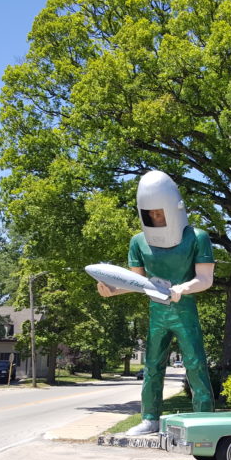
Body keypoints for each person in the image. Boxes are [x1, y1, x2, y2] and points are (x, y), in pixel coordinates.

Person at [95, 171, 216, 436]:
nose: (155, 218)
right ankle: (149, 417)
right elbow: (135, 281)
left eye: (160, 213)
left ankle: (204, 417)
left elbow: (205, 278)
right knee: (151, 366)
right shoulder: (138, 242)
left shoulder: (197, 237)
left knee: (195, 363)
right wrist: (111, 290)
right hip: (157, 312)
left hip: (184, 311)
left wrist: (181, 289)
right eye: (150, 214)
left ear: (174, 209)